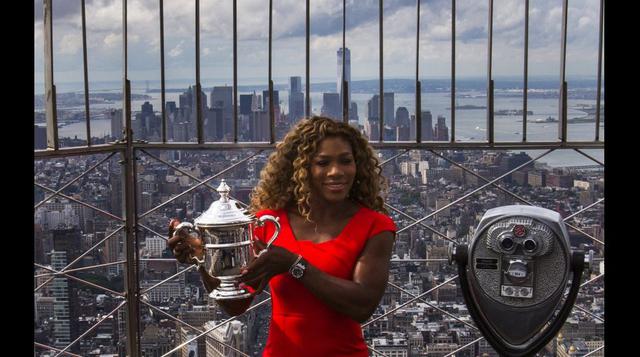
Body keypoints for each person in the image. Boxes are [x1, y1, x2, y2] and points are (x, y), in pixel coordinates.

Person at [168, 116, 397, 356]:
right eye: (323, 162)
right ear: (301, 168)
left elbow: (362, 305)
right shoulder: (269, 222)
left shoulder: (375, 226)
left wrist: (294, 265)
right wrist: (203, 259)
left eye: (345, 161)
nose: (336, 171)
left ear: (357, 165)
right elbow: (236, 303)